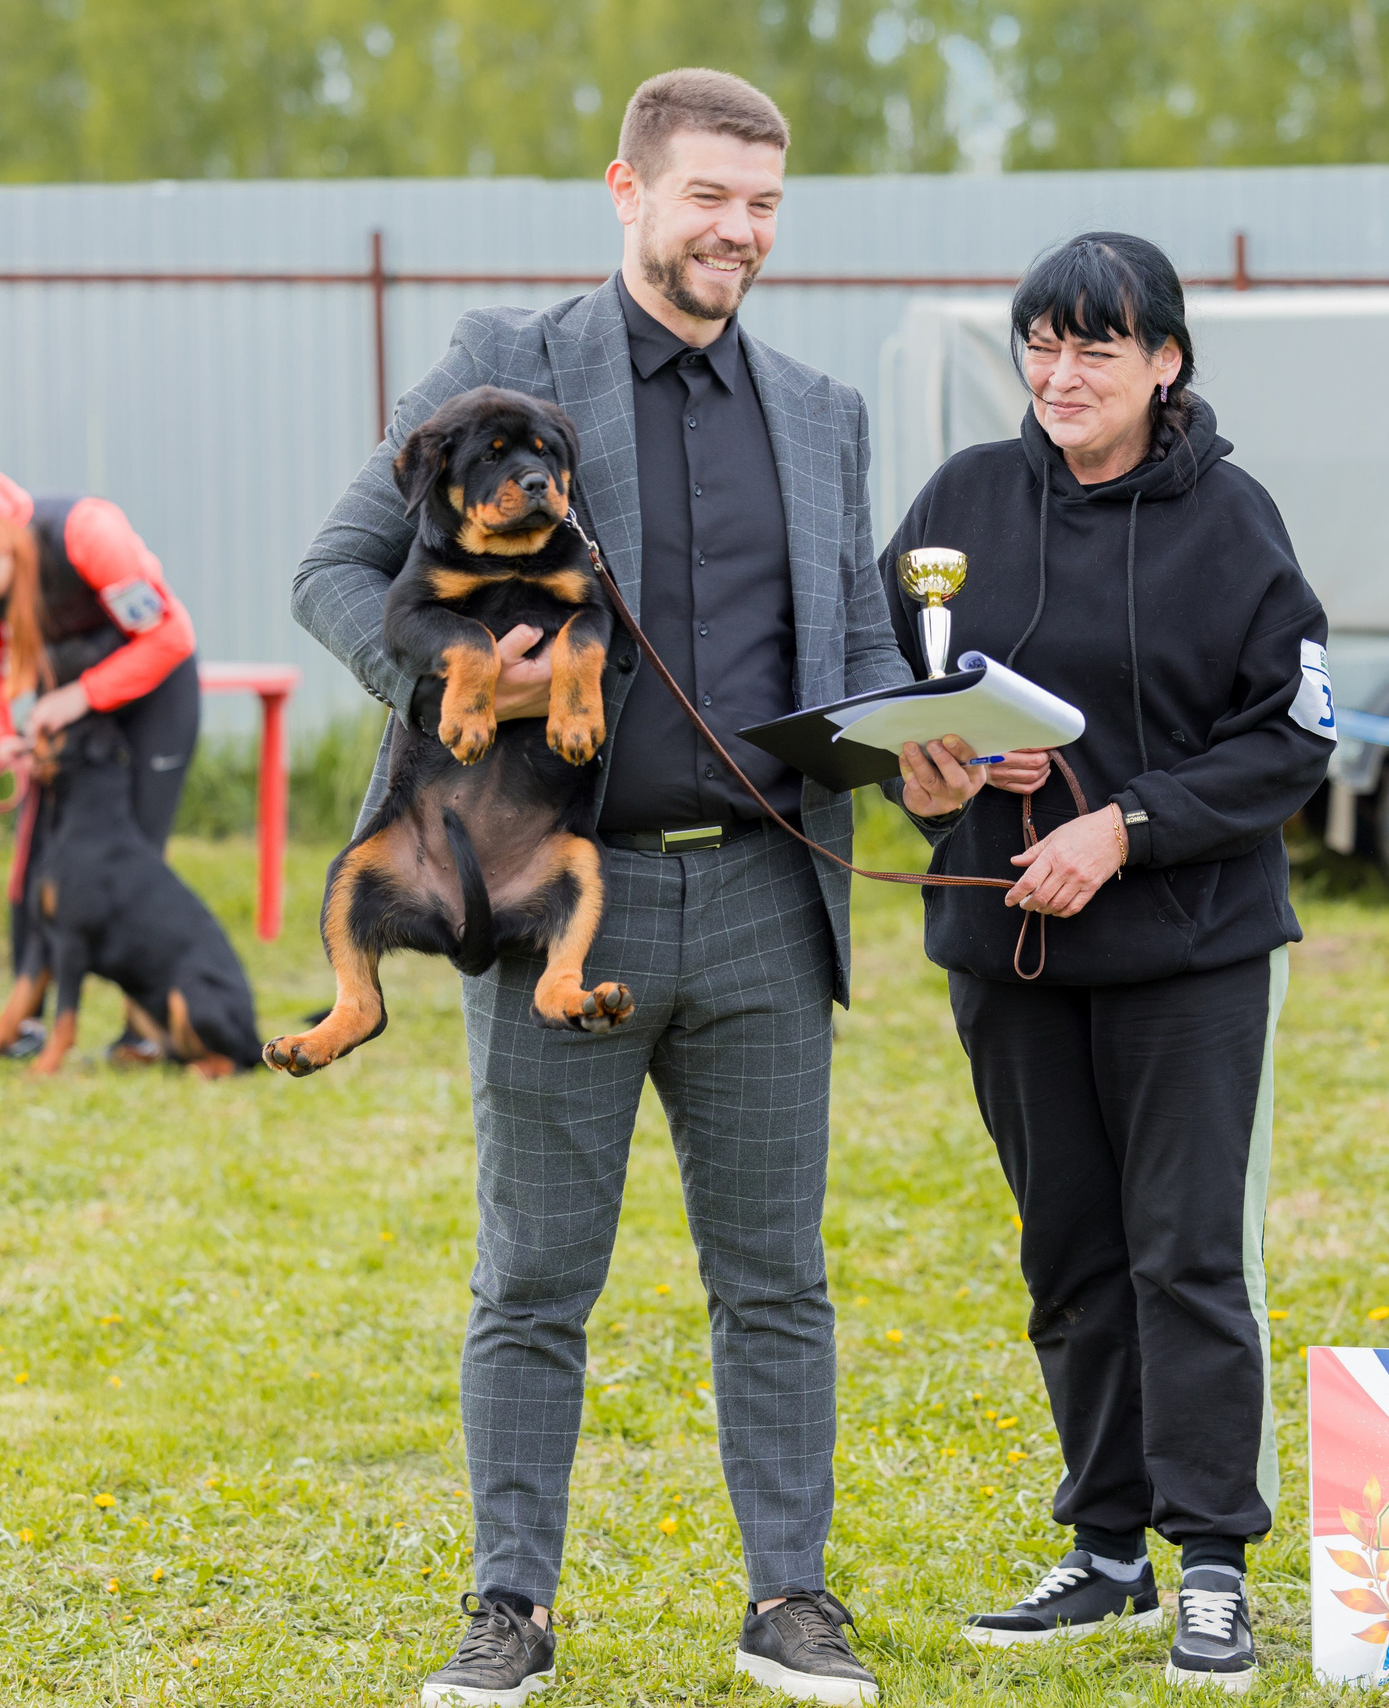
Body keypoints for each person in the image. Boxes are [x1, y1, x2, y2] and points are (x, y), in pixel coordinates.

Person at [292, 67, 985, 1708]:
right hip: (551, 895)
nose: (738, 232)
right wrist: (471, 673)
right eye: (708, 199)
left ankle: (792, 1604)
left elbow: (862, 651)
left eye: (763, 205)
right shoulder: (499, 370)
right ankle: (508, 1610)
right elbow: (333, 574)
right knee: (532, 1280)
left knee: (779, 1280)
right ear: (627, 189)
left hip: (762, 905)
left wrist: (919, 750)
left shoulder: (823, 412)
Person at [877, 232, 1336, 1691]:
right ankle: (1109, 1551)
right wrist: (925, 780)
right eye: (1041, 345)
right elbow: (897, 700)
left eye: (1097, 348)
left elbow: (1296, 737)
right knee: (1069, 1258)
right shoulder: (958, 503)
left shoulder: (1234, 522)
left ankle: (1212, 1565)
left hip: (1184, 954)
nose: (1061, 375)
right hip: (1003, 949)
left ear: (1165, 363)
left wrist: (1127, 829)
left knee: (1186, 1257)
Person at [0, 469, 200, 1060]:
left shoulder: (86, 532)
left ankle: (145, 1029)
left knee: (135, 860)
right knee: (39, 859)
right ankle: (27, 1024)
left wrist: (82, 695)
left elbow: (169, 636)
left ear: (4, 544)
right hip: (65, 708)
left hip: (153, 694)